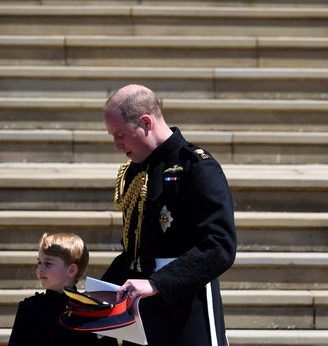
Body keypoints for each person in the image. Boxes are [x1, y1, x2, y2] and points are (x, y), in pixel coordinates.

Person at [101, 84, 237, 345]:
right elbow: (134, 251)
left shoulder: (196, 167)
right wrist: (99, 292)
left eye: (120, 135)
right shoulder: (135, 171)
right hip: (140, 315)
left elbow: (219, 246)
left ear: (145, 122)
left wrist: (157, 283)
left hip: (186, 312)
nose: (117, 145)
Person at [9, 233, 117, 346]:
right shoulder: (28, 308)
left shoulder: (90, 312)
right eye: (39, 262)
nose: (40, 268)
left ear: (71, 270)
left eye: (48, 263)